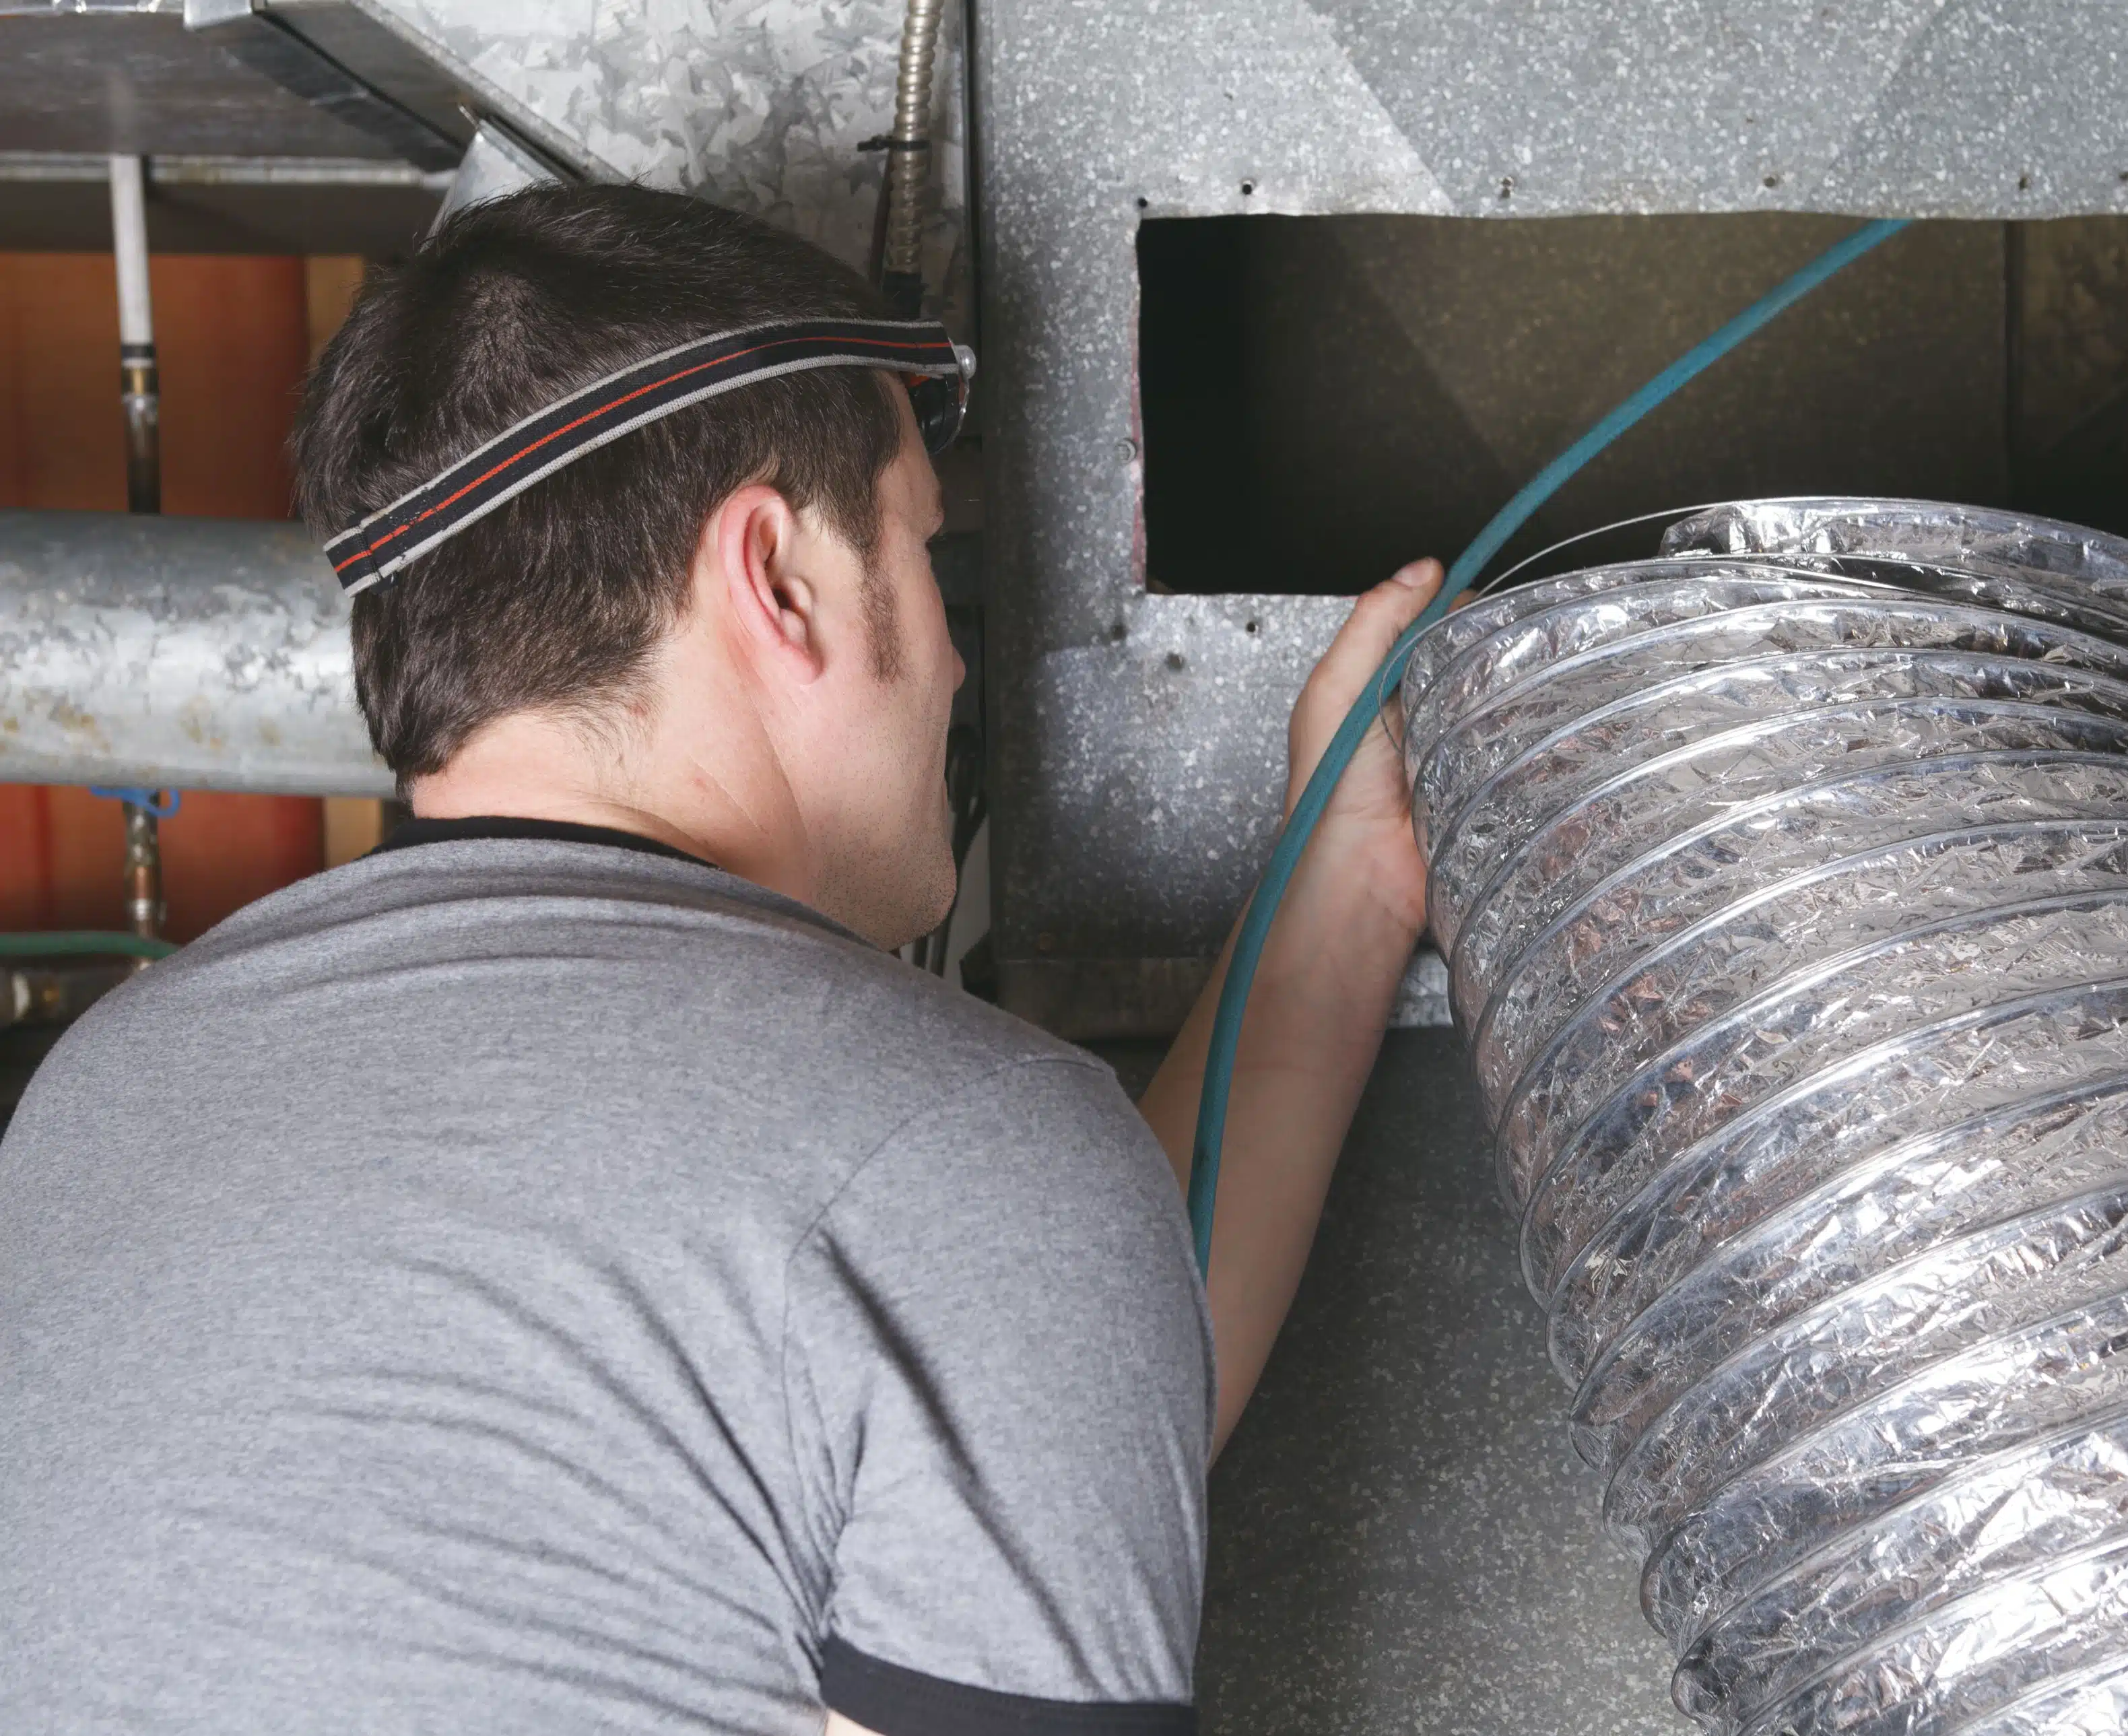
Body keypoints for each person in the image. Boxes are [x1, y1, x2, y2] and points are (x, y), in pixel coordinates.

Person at [0, 184, 1442, 1736]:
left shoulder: (97, 1105)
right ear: (776, 577)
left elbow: (995, 1418)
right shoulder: (948, 1163)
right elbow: (942, 1298)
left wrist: (1345, 882)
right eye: (919, 551)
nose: (955, 658)